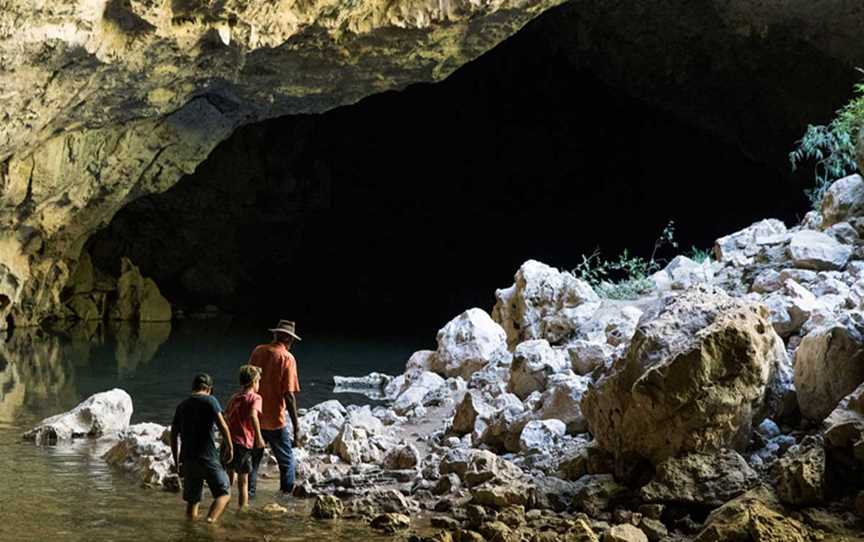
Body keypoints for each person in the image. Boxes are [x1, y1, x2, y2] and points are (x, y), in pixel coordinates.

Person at [170, 373, 234, 523]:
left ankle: (190, 531)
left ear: (193, 388)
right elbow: (222, 425)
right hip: (208, 457)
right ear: (209, 389)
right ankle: (210, 522)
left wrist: (176, 460)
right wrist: (230, 447)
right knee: (224, 493)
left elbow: (173, 435)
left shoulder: (182, 405)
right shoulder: (210, 400)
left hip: (189, 459)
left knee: (192, 501)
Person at [248, 319, 302, 497]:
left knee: (254, 462)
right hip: (275, 421)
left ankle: (249, 497)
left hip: (255, 417)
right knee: (286, 462)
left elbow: (247, 382)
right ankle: (286, 499)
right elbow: (289, 395)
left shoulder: (257, 351)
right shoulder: (287, 358)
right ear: (289, 339)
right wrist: (296, 427)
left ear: (275, 335)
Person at [224, 365, 265, 509]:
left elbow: (225, 415)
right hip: (243, 443)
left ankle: (225, 503)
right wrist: (259, 437)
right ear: (254, 382)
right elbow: (253, 415)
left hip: (229, 441)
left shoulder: (235, 397)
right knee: (243, 481)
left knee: (228, 477)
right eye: (259, 381)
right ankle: (243, 508)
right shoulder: (256, 398)